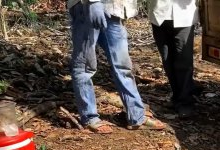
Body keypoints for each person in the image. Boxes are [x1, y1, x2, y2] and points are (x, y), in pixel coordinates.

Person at [67, 0, 166, 133]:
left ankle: (136, 116)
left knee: (123, 64)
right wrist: (93, 3)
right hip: (87, 6)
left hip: (112, 8)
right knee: (84, 65)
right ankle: (89, 117)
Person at [147, 0, 199, 118]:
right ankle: (177, 97)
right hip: (159, 15)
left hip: (183, 16)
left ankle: (185, 102)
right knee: (167, 60)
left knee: (183, 61)